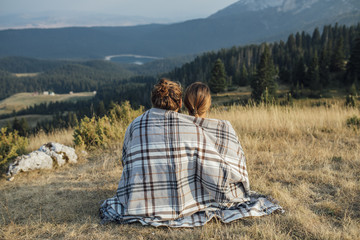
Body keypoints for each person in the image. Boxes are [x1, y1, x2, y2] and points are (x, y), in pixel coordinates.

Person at [100, 78, 282, 227]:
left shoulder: (134, 124)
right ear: (180, 103)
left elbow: (125, 160)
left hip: (137, 200)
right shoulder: (190, 127)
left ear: (152, 100)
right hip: (182, 200)